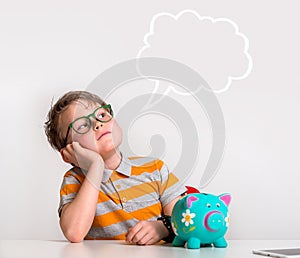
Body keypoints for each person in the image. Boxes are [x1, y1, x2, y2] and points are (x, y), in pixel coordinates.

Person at [44, 90, 187, 244]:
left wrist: (163, 228)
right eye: (83, 125)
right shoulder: (74, 181)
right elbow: (74, 232)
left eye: (102, 115)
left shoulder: (155, 169)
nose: (97, 124)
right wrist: (96, 166)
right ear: (69, 153)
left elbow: (187, 223)